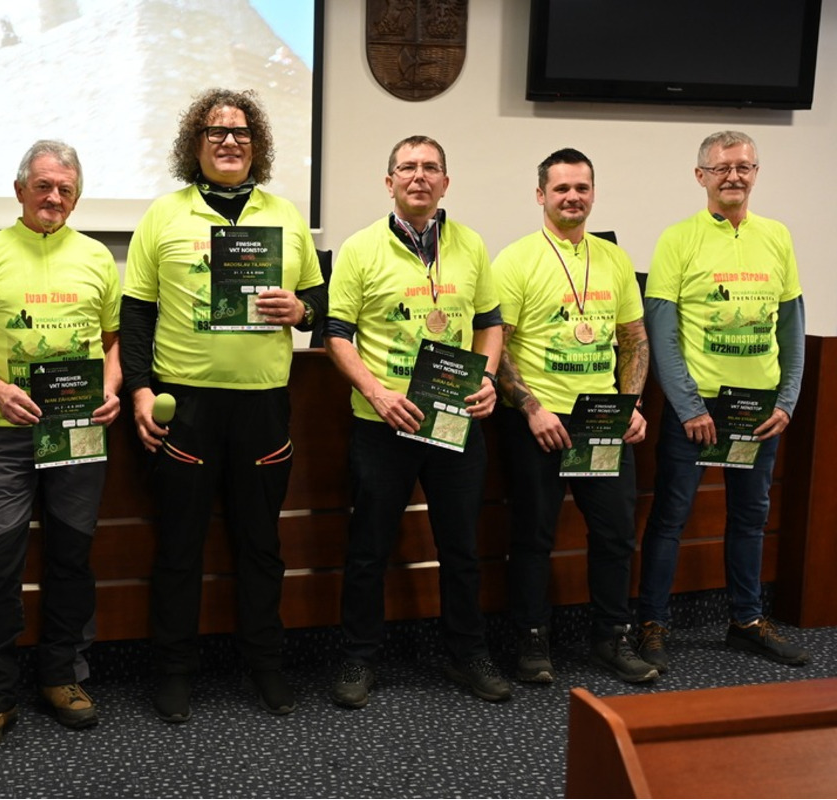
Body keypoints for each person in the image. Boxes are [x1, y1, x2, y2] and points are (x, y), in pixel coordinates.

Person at [120, 88, 326, 723]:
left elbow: (320, 311)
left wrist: (301, 312)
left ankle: (266, 665)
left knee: (261, 545)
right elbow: (136, 317)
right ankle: (173, 671)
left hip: (263, 406)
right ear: (196, 142)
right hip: (186, 409)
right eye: (215, 131)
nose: (229, 140)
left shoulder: (287, 216)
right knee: (179, 546)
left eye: (240, 132)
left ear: (256, 144)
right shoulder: (163, 216)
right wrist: (140, 390)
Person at [325, 135, 509, 707]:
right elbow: (336, 334)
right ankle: (358, 658)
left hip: (454, 420)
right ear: (389, 183)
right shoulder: (358, 249)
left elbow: (490, 321)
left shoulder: (471, 244)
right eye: (407, 168)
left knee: (460, 546)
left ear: (446, 183)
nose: (419, 177)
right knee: (368, 548)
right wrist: (378, 393)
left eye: (431, 168)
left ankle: (467, 652)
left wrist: (488, 377)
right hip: (384, 423)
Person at [0, 140, 122, 753]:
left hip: (79, 432)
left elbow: (111, 342)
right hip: (6, 437)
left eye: (66, 190)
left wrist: (110, 387)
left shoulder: (99, 258)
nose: (55, 198)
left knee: (72, 559)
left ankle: (63, 679)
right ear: (20, 189)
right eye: (45, 186)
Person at [636, 131, 809, 670]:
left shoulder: (777, 236)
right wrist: (688, 407)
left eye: (744, 167)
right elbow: (662, 331)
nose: (734, 176)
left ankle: (746, 619)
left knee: (750, 518)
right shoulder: (678, 239)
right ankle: (652, 623)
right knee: (670, 517)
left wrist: (788, 399)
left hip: (757, 413)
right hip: (699, 412)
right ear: (701, 176)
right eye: (722, 168)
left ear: (756, 173)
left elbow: (791, 324)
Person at [493, 148, 656, 684]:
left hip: (602, 418)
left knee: (613, 535)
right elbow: (500, 346)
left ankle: (612, 637)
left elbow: (632, 339)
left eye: (581, 187)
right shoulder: (515, 260)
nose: (572, 197)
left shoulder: (614, 261)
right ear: (541, 194)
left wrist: (631, 404)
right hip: (540, 420)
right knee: (533, 536)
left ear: (593, 193)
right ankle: (532, 642)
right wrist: (532, 408)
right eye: (561, 188)